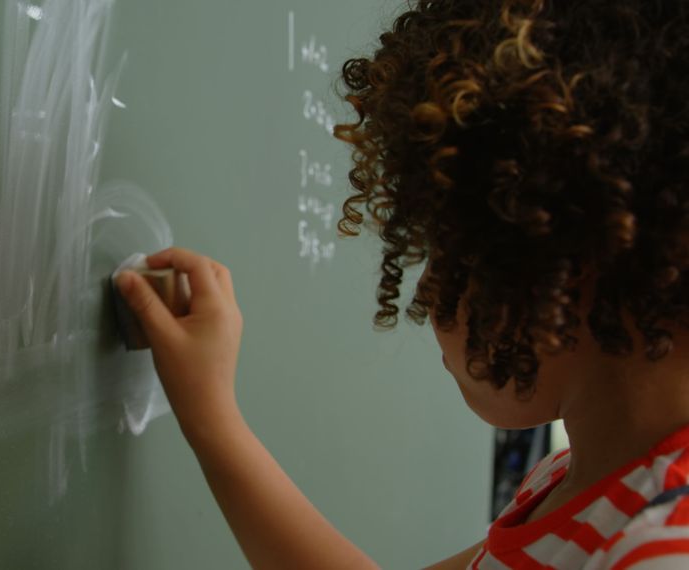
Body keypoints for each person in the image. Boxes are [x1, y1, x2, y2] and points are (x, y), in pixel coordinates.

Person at [115, 1, 689, 568]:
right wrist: (211, 415)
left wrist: (212, 418)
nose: (427, 293)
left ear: (560, 268)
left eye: (451, 252)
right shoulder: (578, 485)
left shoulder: (658, 550)